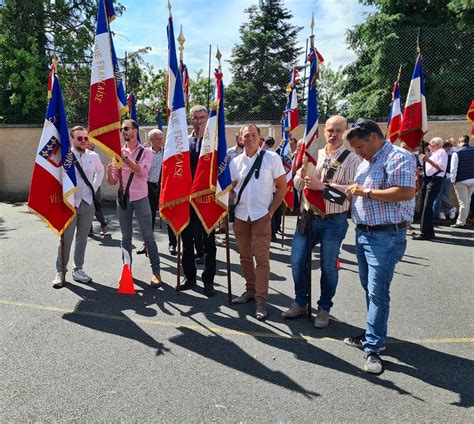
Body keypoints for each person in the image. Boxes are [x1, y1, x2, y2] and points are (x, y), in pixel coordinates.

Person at [344, 119, 416, 374]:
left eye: (360, 146)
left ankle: (373, 347)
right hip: (364, 234)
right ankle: (373, 334)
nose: (358, 152)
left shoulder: (399, 157)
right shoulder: (367, 162)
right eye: (354, 148)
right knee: (370, 288)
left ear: (374, 137)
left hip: (386, 236)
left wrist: (366, 193)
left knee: (377, 291)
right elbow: (361, 191)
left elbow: (406, 191)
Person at [282, 116, 361, 327]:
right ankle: (300, 302)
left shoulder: (352, 160)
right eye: (330, 130)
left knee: (328, 266)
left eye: (338, 131)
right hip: (307, 217)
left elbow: (350, 195)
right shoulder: (312, 154)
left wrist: (322, 188)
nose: (333, 134)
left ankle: (324, 308)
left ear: (345, 132)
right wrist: (300, 176)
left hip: (333, 220)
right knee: (297, 261)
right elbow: (298, 186)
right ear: (323, 131)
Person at [230, 124, 286, 320]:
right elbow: (232, 190)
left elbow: (282, 187)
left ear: (260, 137)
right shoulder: (235, 162)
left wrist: (271, 212)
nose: (250, 139)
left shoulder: (272, 158)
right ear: (240, 139)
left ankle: (261, 300)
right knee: (244, 257)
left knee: (262, 260)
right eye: (246, 136)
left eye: (254, 135)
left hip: (262, 216)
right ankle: (250, 290)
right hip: (241, 216)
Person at [106, 119, 161, 287]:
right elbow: (113, 182)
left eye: (126, 128)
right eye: (122, 129)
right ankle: (127, 270)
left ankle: (156, 272)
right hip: (123, 199)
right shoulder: (118, 152)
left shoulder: (146, 152)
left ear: (135, 131)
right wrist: (109, 171)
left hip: (141, 198)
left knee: (148, 237)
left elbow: (142, 172)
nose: (123, 131)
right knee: (126, 238)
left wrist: (125, 159)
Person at [52, 126, 104, 288]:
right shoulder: (65, 156)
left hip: (87, 203)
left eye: (85, 138)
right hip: (70, 204)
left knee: (82, 239)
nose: (83, 141)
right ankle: (60, 271)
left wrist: (93, 188)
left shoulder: (93, 156)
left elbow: (100, 172)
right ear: (72, 139)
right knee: (66, 239)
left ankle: (78, 269)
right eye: (79, 138)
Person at [179, 105, 217, 297]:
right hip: (187, 199)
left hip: (208, 199)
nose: (200, 121)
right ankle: (190, 277)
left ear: (207, 119)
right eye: (196, 118)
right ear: (190, 119)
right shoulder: (184, 143)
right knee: (187, 241)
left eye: (203, 117)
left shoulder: (214, 143)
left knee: (209, 242)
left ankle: (208, 280)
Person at [413, 137, 448, 240]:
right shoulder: (435, 153)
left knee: (427, 206)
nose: (429, 145)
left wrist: (427, 160)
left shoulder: (441, 152)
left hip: (434, 180)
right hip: (429, 179)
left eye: (431, 143)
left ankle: (425, 233)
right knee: (425, 205)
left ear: (437, 144)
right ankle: (428, 232)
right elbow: (432, 167)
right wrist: (422, 170)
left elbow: (441, 167)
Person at [137, 129, 165, 255]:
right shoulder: (145, 153)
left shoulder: (166, 152)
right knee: (149, 217)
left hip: (163, 187)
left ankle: (173, 244)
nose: (161, 140)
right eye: (158, 138)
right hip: (148, 187)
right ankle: (146, 244)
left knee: (168, 214)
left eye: (161, 138)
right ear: (152, 140)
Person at [450, 135, 474, 228]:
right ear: (468, 142)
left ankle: (460, 222)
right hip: (473, 180)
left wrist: (453, 180)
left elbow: (453, 168)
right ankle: (463, 220)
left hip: (461, 180)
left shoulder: (457, 153)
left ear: (460, 142)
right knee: (467, 201)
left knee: (463, 202)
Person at [85, 139, 108, 236]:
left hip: (94, 187)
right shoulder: (81, 156)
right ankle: (89, 229)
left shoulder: (94, 157)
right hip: (83, 188)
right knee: (85, 208)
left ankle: (103, 224)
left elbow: (98, 173)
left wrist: (94, 187)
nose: (87, 146)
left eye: (89, 145)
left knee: (96, 208)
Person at [433, 140, 456, 221]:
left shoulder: (452, 153)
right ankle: (448, 209)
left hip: (447, 176)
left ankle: (442, 211)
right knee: (440, 195)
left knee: (444, 195)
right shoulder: (443, 153)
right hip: (443, 176)